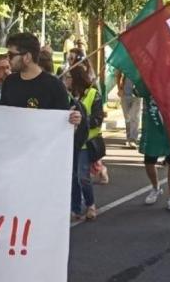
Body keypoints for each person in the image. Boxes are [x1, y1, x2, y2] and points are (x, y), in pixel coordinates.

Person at [136, 76, 170, 213]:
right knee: (149, 162)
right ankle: (156, 187)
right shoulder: (148, 77)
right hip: (153, 129)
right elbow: (137, 91)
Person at [66, 65, 104, 221]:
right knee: (73, 177)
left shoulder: (94, 94)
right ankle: (75, 208)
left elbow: (98, 119)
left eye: (68, 77)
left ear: (76, 79)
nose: (65, 80)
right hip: (71, 143)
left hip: (86, 143)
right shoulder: (67, 96)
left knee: (83, 176)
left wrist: (81, 120)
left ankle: (90, 204)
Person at [117, 71, 142, 149]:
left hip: (137, 94)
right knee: (127, 117)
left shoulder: (141, 63)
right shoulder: (125, 61)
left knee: (134, 117)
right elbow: (118, 74)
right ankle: (129, 138)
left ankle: (133, 139)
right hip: (125, 93)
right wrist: (119, 88)